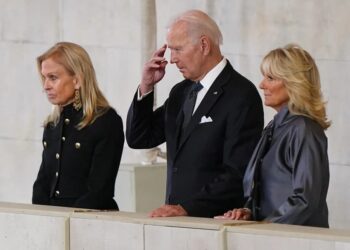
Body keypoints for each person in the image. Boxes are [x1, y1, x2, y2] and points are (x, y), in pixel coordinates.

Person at [126, 10, 264, 218]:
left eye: (178, 49)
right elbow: (140, 138)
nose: (172, 60)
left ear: (204, 45)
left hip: (215, 221)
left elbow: (237, 171)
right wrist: (146, 87)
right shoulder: (181, 92)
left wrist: (188, 208)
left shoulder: (241, 94)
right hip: (176, 219)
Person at [216, 44, 331, 227]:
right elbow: (267, 192)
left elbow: (305, 200)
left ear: (294, 82)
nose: (262, 85)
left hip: (296, 241)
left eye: (270, 78)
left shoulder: (303, 129)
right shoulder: (273, 127)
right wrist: (248, 212)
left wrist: (264, 227)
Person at [32, 42, 124, 210]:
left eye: (53, 77)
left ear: (77, 80)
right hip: (55, 220)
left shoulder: (105, 121)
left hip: (91, 220)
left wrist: (70, 220)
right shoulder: (52, 124)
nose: (45, 86)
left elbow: (100, 190)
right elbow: (43, 183)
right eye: (44, 77)